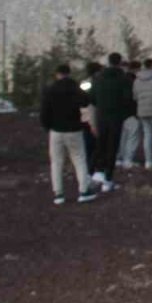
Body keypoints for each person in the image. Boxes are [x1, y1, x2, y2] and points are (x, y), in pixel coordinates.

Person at [40, 64, 98, 205]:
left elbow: (44, 111)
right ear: (69, 73)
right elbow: (86, 101)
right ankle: (84, 191)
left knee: (56, 162)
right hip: (74, 129)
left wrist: (48, 127)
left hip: (56, 130)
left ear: (57, 74)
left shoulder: (50, 89)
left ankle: (58, 194)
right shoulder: (75, 88)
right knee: (79, 159)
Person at [89, 53, 133, 192]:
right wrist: (125, 114)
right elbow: (128, 99)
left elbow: (92, 98)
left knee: (100, 144)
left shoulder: (98, 78)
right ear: (120, 63)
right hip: (116, 117)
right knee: (112, 147)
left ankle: (96, 173)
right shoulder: (124, 79)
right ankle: (108, 179)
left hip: (101, 115)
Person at [117, 61, 143, 169]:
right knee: (133, 134)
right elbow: (134, 97)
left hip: (118, 113)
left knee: (122, 136)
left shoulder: (115, 79)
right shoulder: (132, 80)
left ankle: (120, 158)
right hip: (130, 112)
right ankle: (128, 159)